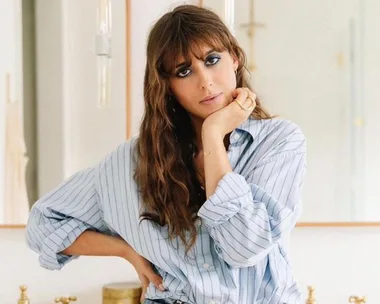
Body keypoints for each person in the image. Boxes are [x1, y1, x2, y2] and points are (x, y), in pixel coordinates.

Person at [26, 4, 306, 304]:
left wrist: (213, 135)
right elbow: (43, 224)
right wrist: (126, 250)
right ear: (167, 85)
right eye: (183, 71)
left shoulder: (278, 142)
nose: (205, 81)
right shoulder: (131, 162)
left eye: (212, 60)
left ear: (234, 59)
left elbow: (244, 247)